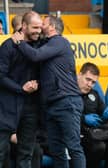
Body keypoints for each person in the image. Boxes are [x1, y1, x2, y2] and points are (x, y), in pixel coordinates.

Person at [12, 15, 86, 168]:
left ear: (52, 27)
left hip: (67, 101)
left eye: (43, 24)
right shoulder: (46, 44)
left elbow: (35, 56)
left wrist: (19, 40)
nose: (39, 27)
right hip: (52, 105)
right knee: (57, 150)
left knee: (73, 148)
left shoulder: (59, 41)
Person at [0, 11, 42, 168]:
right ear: (24, 26)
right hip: (7, 107)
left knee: (26, 154)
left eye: (40, 27)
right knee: (1, 152)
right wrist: (21, 88)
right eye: (35, 27)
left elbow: (45, 72)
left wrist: (37, 83)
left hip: (30, 107)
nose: (38, 31)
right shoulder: (7, 46)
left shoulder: (39, 45)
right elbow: (0, 76)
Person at [77, 62, 108, 168]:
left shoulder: (94, 94)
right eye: (87, 79)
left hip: (97, 134)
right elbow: (63, 115)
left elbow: (103, 111)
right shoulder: (68, 92)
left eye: (93, 82)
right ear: (79, 74)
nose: (89, 84)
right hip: (77, 136)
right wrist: (83, 119)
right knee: (98, 147)